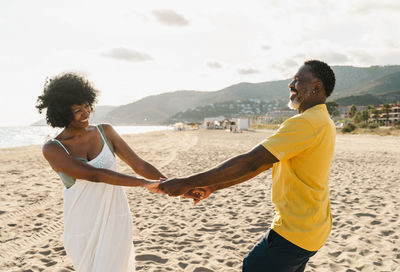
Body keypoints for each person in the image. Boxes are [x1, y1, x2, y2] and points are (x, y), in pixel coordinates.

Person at [159, 60, 336, 272]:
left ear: (316, 86)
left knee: (253, 266)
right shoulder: (322, 120)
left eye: (297, 80)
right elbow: (261, 165)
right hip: (314, 227)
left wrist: (186, 182)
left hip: (295, 230)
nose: (291, 84)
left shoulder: (307, 122)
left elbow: (251, 161)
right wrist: (213, 187)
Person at [36, 72, 165, 272]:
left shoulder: (106, 132)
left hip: (116, 216)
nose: (85, 113)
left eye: (87, 106)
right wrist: (142, 184)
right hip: (83, 224)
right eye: (77, 110)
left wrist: (171, 183)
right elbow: (94, 175)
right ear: (61, 112)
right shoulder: (53, 148)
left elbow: (139, 164)